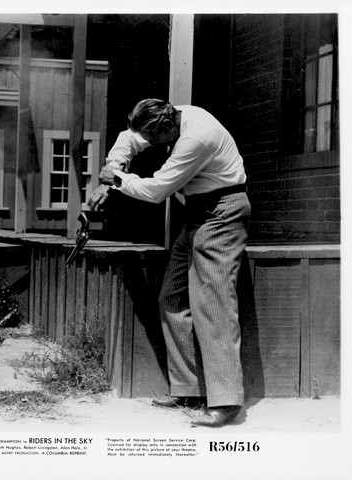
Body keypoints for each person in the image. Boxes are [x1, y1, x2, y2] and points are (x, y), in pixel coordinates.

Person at [89, 99, 251, 427]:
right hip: (198, 213)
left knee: (214, 304)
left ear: (166, 127)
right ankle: (189, 389)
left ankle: (226, 401)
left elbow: (157, 190)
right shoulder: (169, 118)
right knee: (172, 297)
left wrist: (117, 180)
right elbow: (129, 138)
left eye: (155, 138)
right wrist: (112, 172)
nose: (152, 144)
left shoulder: (196, 137)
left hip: (222, 213)